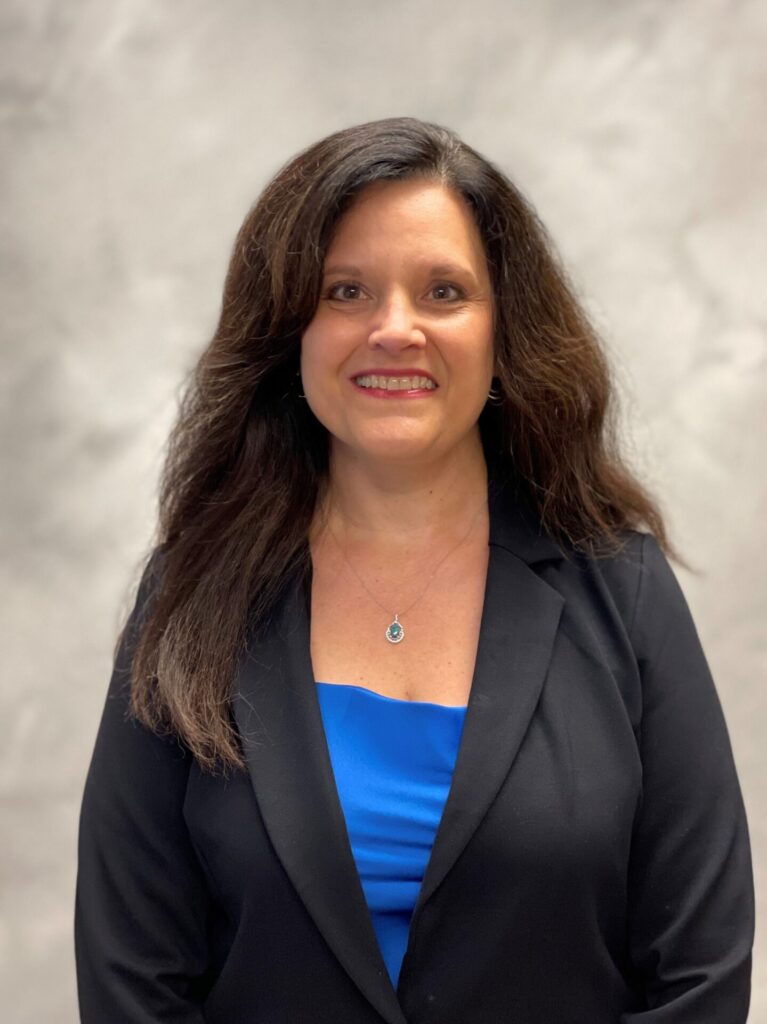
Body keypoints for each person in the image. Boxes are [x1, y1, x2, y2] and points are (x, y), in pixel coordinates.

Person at [74, 117, 754, 1023]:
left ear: (504, 332)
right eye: (345, 291)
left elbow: (700, 968)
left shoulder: (620, 590)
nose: (394, 330)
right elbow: (132, 975)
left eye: (443, 292)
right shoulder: (193, 596)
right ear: (290, 336)